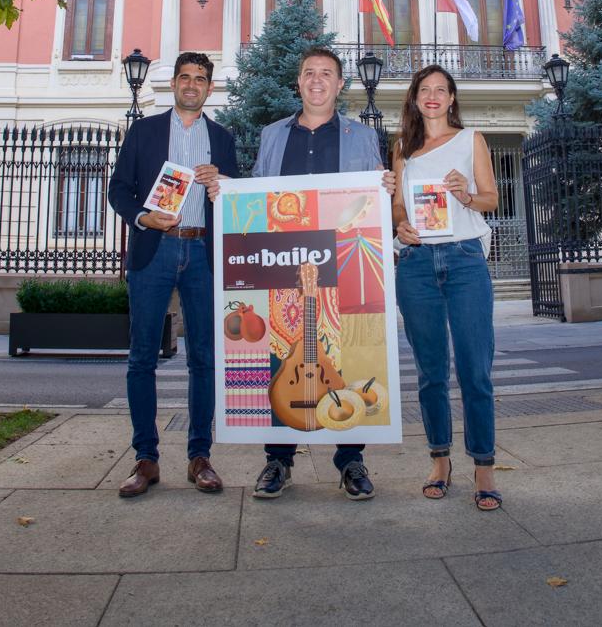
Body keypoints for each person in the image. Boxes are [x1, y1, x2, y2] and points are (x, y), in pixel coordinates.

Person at [250, 46, 395, 501]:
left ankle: (350, 460)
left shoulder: (361, 136)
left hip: (343, 262)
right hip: (284, 261)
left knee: (345, 355)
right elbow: (257, 190)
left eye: (326, 74)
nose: (317, 80)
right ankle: (278, 459)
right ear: (299, 83)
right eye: (309, 73)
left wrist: (384, 187)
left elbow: (370, 201)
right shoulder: (273, 134)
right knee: (283, 350)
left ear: (338, 84)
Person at [107, 52, 240, 498]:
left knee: (204, 358)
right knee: (142, 356)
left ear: (209, 88)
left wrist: (220, 182)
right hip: (155, 250)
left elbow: (238, 196)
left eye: (200, 78)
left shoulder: (222, 138)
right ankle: (146, 458)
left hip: (203, 250)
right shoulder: (144, 131)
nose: (191, 84)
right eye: (184, 77)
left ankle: (199, 457)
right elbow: (118, 189)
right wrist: (144, 217)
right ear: (175, 85)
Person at [391, 64, 502, 510]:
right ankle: (439, 459)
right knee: (430, 372)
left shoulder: (471, 138)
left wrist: (465, 194)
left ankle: (484, 466)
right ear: (415, 98)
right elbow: (399, 205)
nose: (433, 96)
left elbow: (492, 199)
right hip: (416, 264)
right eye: (425, 90)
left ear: (452, 98)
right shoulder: (402, 148)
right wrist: (401, 225)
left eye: (441, 90)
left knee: (475, 370)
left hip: (464, 260)